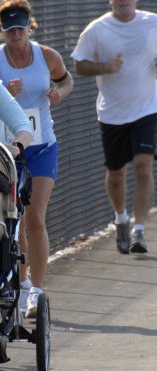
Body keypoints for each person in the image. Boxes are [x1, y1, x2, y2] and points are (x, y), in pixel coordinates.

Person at [0, 0, 73, 318]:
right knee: (15, 222)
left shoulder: (47, 56)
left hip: (43, 145)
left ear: (29, 26)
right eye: (9, 30)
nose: (15, 34)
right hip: (10, 150)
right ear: (1, 31)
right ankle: (20, 283)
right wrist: (3, 91)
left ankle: (37, 291)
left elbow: (65, 79)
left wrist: (60, 93)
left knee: (35, 218)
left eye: (20, 27)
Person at [71, 0, 157, 254]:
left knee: (143, 167)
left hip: (147, 109)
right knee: (116, 175)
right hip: (112, 114)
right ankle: (121, 217)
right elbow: (79, 63)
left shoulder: (152, 22)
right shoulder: (97, 29)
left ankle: (139, 230)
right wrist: (105, 67)